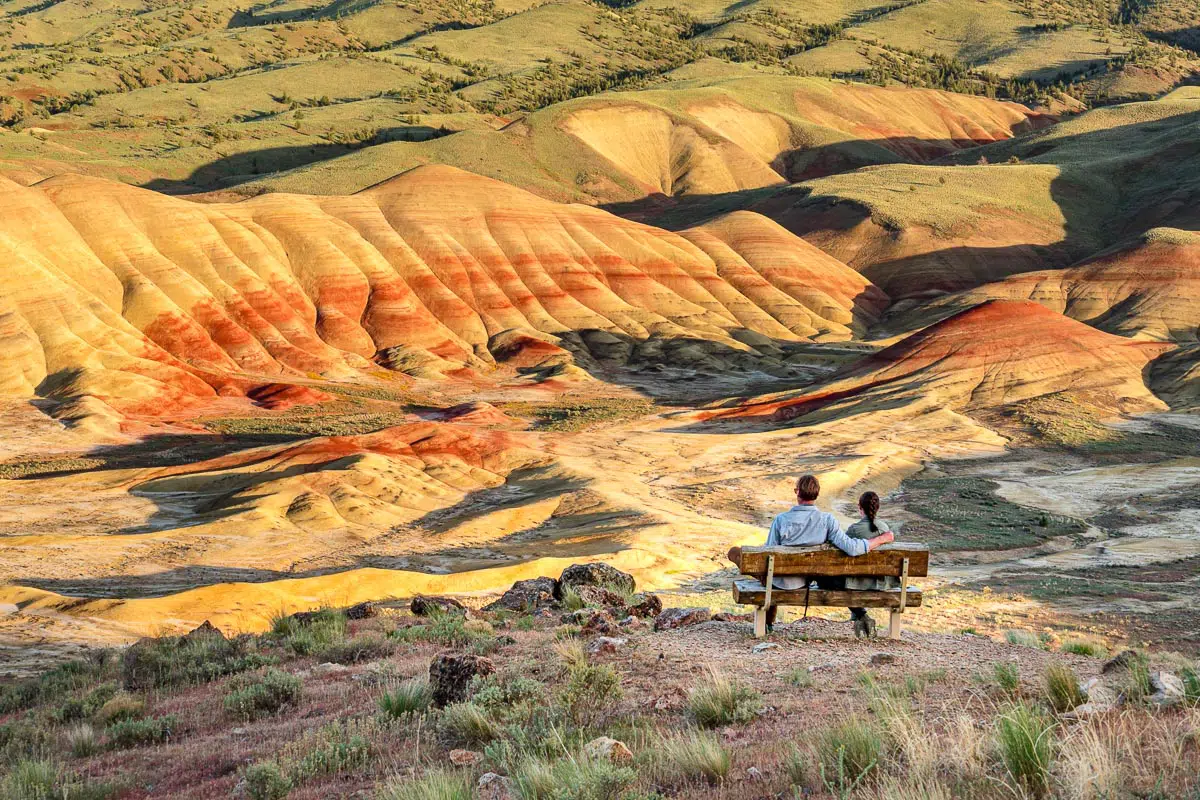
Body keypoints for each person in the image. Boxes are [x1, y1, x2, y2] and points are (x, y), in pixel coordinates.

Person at [728, 475, 894, 637]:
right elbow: (852, 548)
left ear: (797, 493)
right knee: (767, 572)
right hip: (804, 581)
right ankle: (768, 621)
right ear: (817, 494)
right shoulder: (827, 520)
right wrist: (881, 538)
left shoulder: (781, 520)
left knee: (742, 557)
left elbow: (769, 553)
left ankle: (767, 624)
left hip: (782, 582)